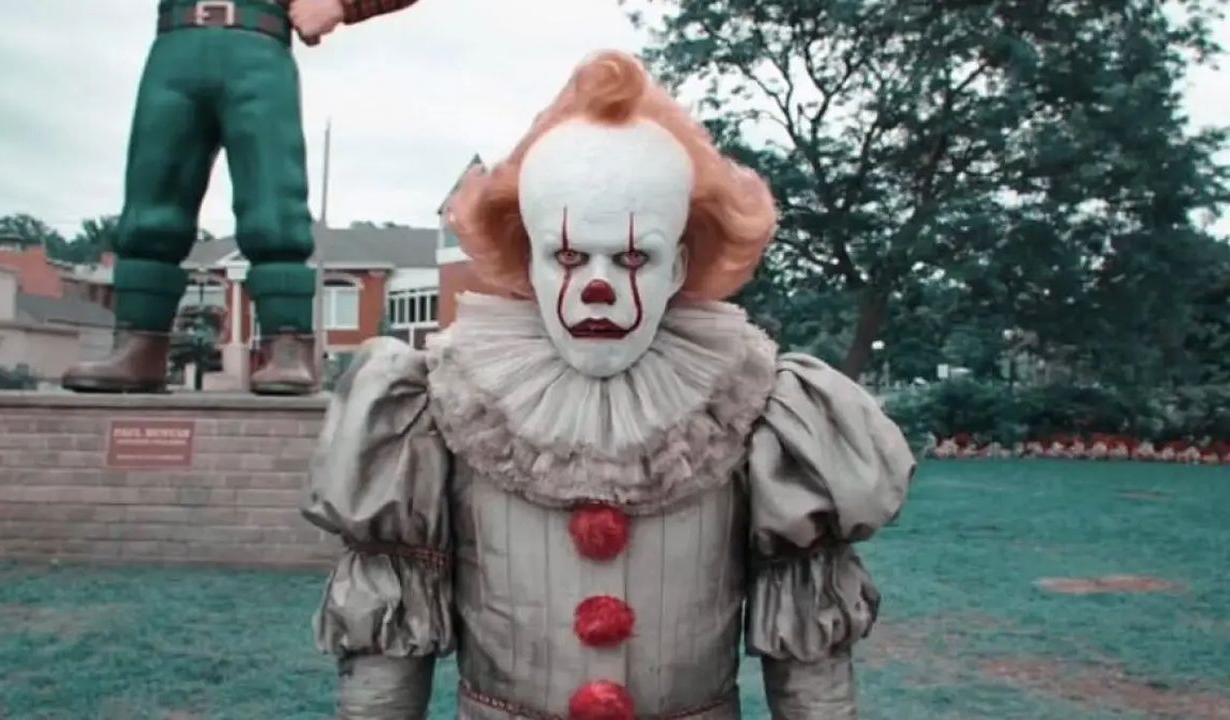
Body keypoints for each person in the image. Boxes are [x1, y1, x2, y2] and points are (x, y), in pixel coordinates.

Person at [303, 50, 916, 719]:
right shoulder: (439, 403)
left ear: (677, 264)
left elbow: (809, 665)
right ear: (529, 259)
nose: (598, 287)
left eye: (632, 256)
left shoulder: (760, 404)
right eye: (568, 255)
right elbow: (387, 654)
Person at [61, 0, 418, 395]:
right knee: (152, 194)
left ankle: (288, 343)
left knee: (274, 203)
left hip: (259, 44)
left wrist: (342, 3)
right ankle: (139, 341)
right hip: (174, 46)